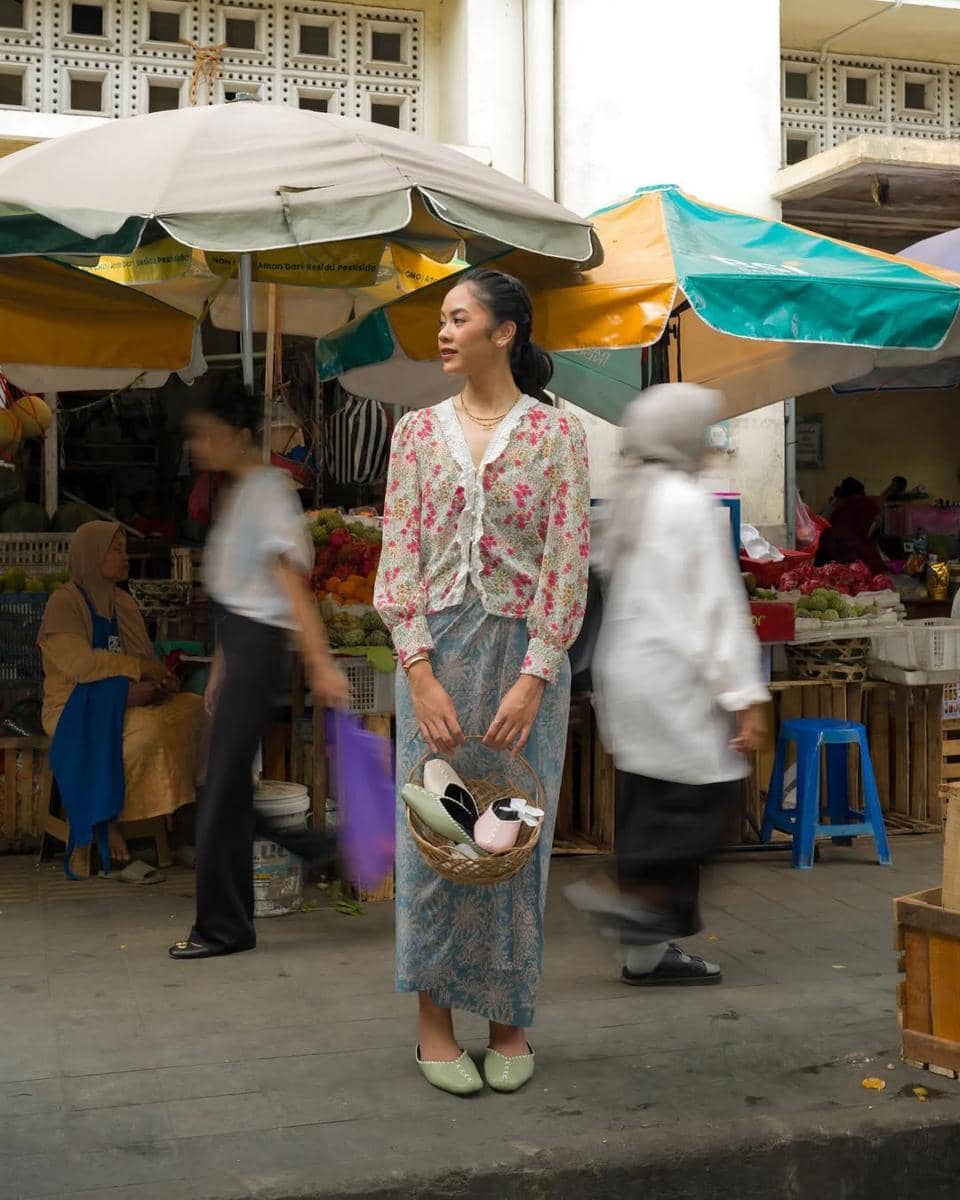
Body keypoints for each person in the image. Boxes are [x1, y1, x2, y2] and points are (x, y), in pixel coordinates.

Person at [375, 268, 591, 1096]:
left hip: (524, 663)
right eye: (442, 318)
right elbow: (400, 560)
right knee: (435, 843)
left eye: (458, 318)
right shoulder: (416, 434)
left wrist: (535, 679)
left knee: (511, 843)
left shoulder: (556, 436)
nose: (443, 330)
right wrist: (419, 674)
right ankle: (434, 1024)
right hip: (433, 655)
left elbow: (567, 564)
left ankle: (510, 1021)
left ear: (505, 332)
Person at [566, 385, 769, 985]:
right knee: (708, 804)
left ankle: (645, 953)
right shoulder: (685, 501)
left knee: (649, 806)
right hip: (674, 676)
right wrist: (746, 697)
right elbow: (717, 608)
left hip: (624, 678)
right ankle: (635, 903)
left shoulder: (630, 497)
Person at [169, 382, 350, 961]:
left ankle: (223, 928)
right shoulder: (238, 490)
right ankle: (312, 847)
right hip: (240, 646)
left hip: (260, 649)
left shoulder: (270, 490)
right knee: (226, 791)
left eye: (208, 434)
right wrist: (220, 667)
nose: (199, 446)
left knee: (220, 793)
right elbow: (236, 592)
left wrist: (320, 662)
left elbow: (289, 582)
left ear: (241, 436)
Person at [38, 521, 204, 871]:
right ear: (91, 554)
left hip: (120, 701)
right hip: (73, 707)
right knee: (146, 734)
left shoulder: (122, 602)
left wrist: (161, 682)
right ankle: (107, 822)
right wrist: (135, 676)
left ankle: (182, 820)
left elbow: (146, 658)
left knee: (194, 709)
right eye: (116, 548)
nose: (125, 556)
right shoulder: (63, 603)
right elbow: (80, 666)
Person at [816, 476, 883, 572]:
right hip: (850, 548)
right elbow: (869, 530)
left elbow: (822, 521)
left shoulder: (839, 504)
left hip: (829, 547)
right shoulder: (866, 504)